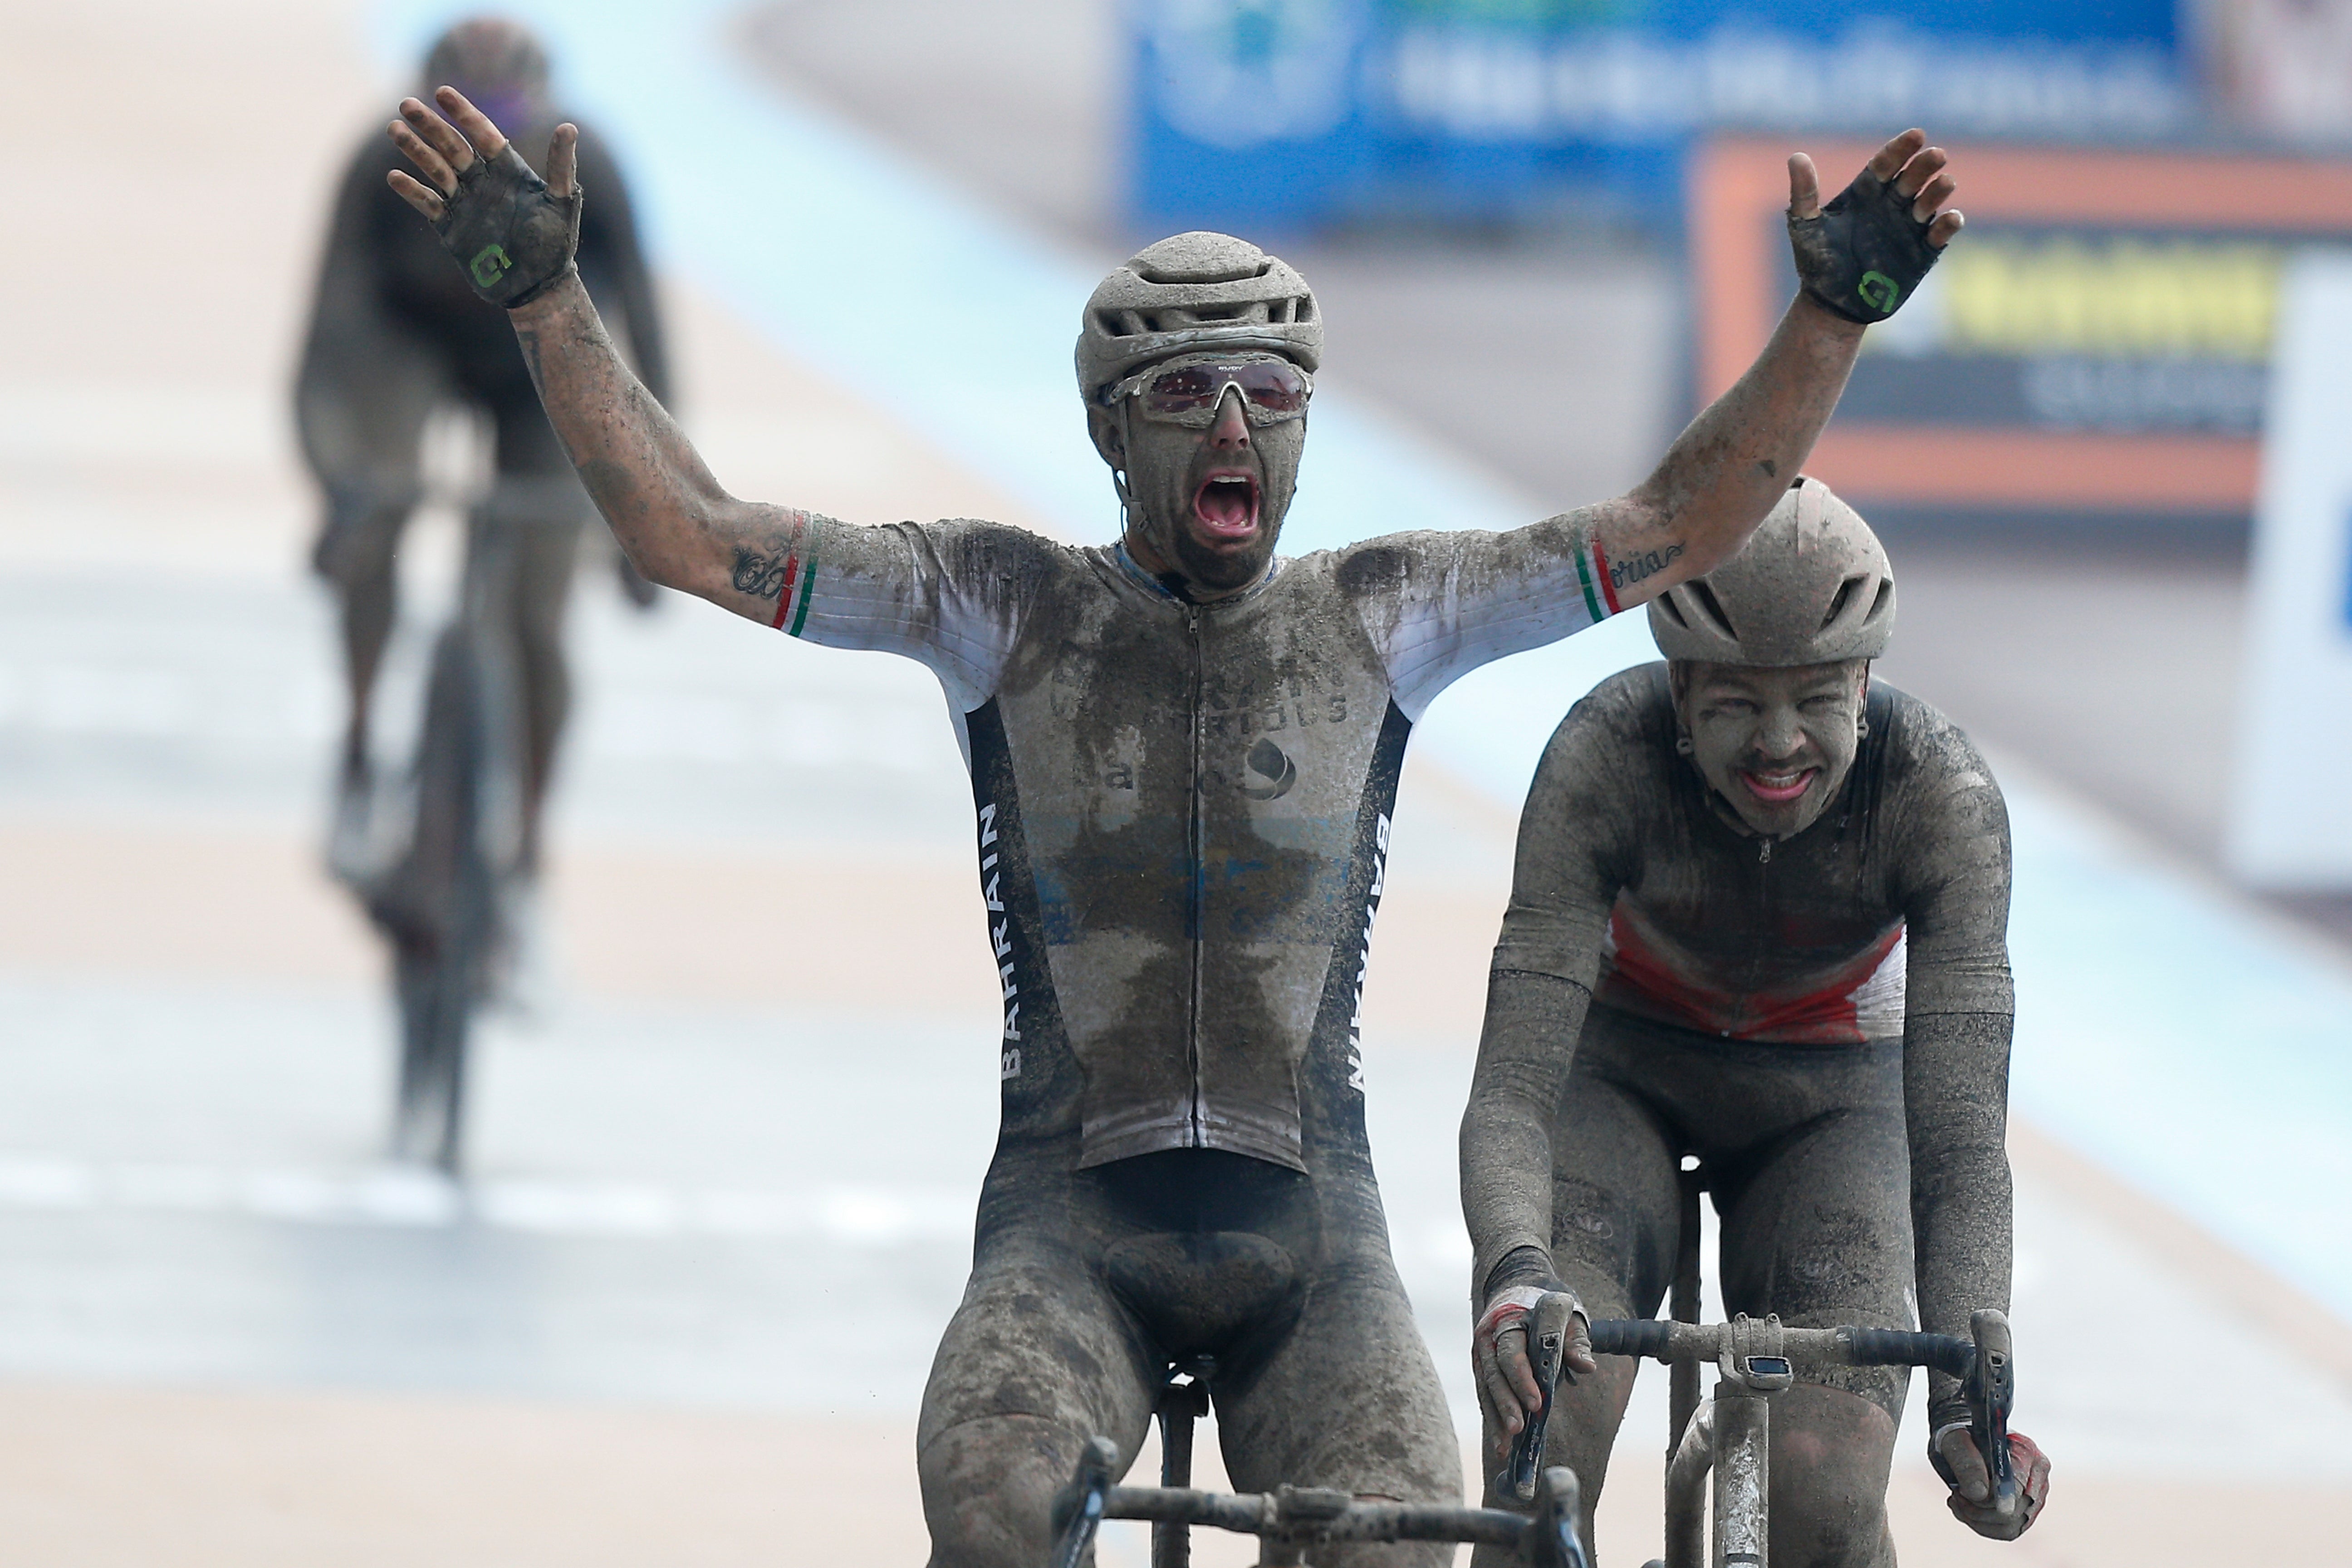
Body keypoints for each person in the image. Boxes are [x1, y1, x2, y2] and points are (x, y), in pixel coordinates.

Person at [380, 79, 1959, 1565]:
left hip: (1312, 1247)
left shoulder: (1386, 611)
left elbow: (1676, 518)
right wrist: (543, 303)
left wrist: (1827, 322)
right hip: (1070, 1231)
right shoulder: (994, 599)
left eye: (1270, 394)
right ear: (1107, 432)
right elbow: (691, 536)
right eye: (1184, 393)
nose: (1232, 430)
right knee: (998, 1508)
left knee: (1406, 1539)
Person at [1460, 479, 2053, 1565]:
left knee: (1822, 1498)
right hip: (1619, 1079)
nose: (1781, 744)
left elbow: (1963, 1150)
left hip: (1828, 1103)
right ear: (1677, 693)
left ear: (1866, 681)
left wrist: (1970, 1400)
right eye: (1736, 703)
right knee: (1540, 1452)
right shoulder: (1602, 756)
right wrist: (1512, 1273)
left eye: (1816, 697)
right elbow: (1509, 1094)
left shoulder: (1941, 795)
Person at [295, 17, 668, 937]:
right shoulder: (373, 173)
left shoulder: (601, 172)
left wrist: (651, 520)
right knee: (375, 517)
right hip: (407, 346)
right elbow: (324, 351)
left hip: (540, 361)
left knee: (538, 614)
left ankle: (529, 857)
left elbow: (647, 354)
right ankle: (357, 746)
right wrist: (339, 486)